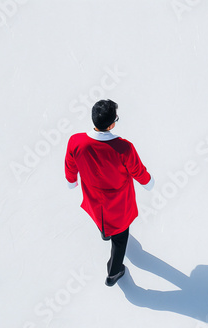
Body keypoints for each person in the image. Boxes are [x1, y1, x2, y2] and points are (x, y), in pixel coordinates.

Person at [64, 99, 154, 286]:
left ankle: (105, 233)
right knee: (120, 239)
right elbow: (137, 170)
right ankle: (114, 272)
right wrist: (148, 182)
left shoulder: (76, 141)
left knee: (100, 218)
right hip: (118, 202)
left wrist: (72, 181)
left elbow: (70, 164)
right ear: (112, 123)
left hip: (94, 197)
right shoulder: (123, 147)